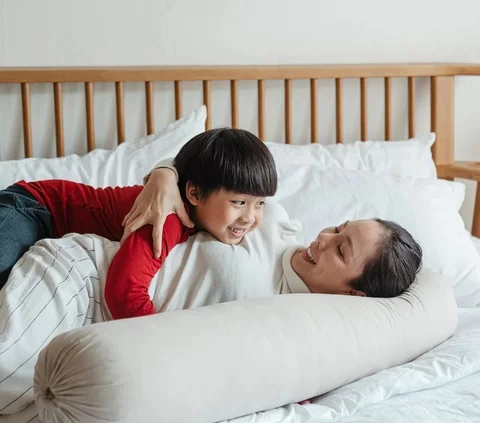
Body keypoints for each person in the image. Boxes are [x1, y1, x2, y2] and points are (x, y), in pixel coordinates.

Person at [0, 198, 422, 414]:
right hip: (83, 276)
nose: (323, 238)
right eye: (337, 227)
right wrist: (165, 174)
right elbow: (198, 174)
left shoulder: (304, 333)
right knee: (7, 388)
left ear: (354, 295)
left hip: (101, 345)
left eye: (341, 249)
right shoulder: (271, 216)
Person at [0, 128, 277, 291]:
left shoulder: (197, 204)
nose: (250, 218)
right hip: (34, 206)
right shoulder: (166, 220)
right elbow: (124, 289)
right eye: (239, 202)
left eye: (260, 203)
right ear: (193, 192)